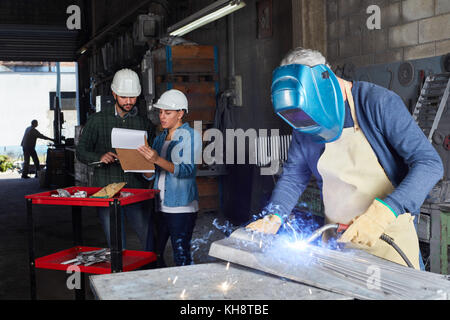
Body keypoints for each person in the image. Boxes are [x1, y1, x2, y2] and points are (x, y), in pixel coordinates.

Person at [246, 48, 444, 270]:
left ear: (326, 82)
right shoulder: (304, 122)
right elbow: (293, 176)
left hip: (389, 238)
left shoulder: (377, 103)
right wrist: (274, 215)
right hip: (336, 240)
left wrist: (384, 212)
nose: (308, 126)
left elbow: (430, 164)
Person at [76, 68, 155, 252]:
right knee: (115, 242)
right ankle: (118, 278)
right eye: (124, 97)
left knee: (147, 236)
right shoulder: (96, 121)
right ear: (114, 93)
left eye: (133, 97)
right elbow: (81, 151)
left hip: (135, 188)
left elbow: (153, 156)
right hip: (106, 189)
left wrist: (147, 166)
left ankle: (151, 273)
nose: (129, 102)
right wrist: (99, 157)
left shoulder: (144, 124)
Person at [137, 89, 201, 267]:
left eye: (168, 112)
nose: (162, 116)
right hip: (160, 204)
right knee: (154, 254)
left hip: (182, 208)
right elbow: (152, 173)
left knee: (181, 255)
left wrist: (156, 159)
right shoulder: (159, 139)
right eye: (160, 112)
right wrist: (141, 164)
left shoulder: (192, 137)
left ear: (180, 113)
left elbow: (187, 170)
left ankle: (185, 292)